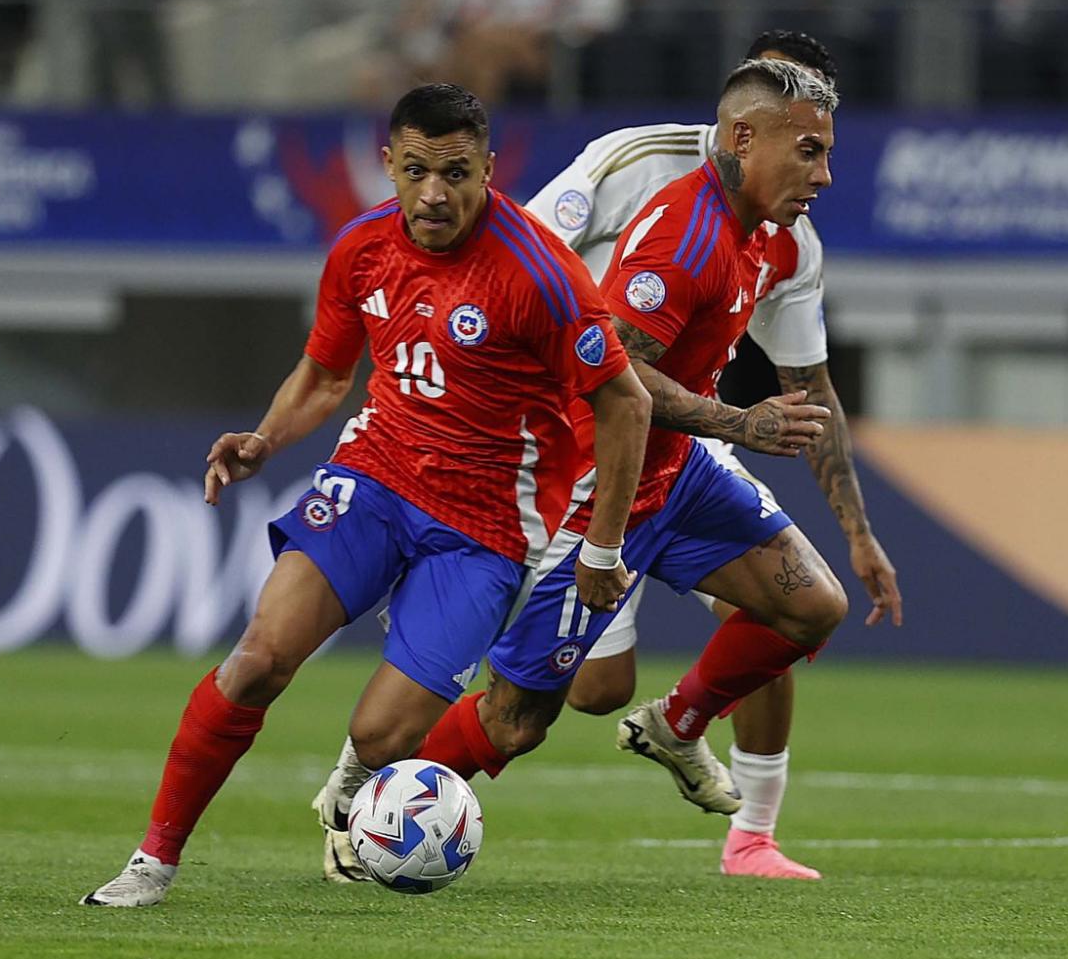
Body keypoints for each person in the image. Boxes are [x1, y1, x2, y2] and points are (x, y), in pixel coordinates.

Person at [309, 56, 890, 880]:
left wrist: (856, 531)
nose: (824, 175)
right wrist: (736, 423)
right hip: (592, 480)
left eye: (826, 153)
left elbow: (805, 383)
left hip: (679, 467)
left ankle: (679, 725)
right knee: (520, 717)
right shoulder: (682, 235)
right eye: (809, 152)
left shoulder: (772, 237)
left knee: (812, 605)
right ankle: (363, 816)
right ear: (744, 138)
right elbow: (622, 376)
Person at [83, 83, 654, 907]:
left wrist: (601, 548)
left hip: (486, 526)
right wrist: (264, 439)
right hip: (376, 480)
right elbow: (325, 373)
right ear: (387, 163)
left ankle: (358, 788)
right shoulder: (361, 248)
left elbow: (626, 401)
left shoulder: (540, 273)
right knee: (255, 662)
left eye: (456, 172)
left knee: (382, 736)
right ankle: (153, 861)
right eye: (416, 169)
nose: (434, 192)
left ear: (489, 168)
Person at [530, 31, 899, 880]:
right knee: (593, 690)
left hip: (690, 431)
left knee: (785, 602)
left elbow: (811, 387)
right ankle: (383, 763)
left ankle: (751, 836)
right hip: (578, 433)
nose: (818, 157)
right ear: (746, 117)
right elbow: (520, 260)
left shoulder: (789, 237)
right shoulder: (633, 163)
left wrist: (858, 529)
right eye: (801, 127)